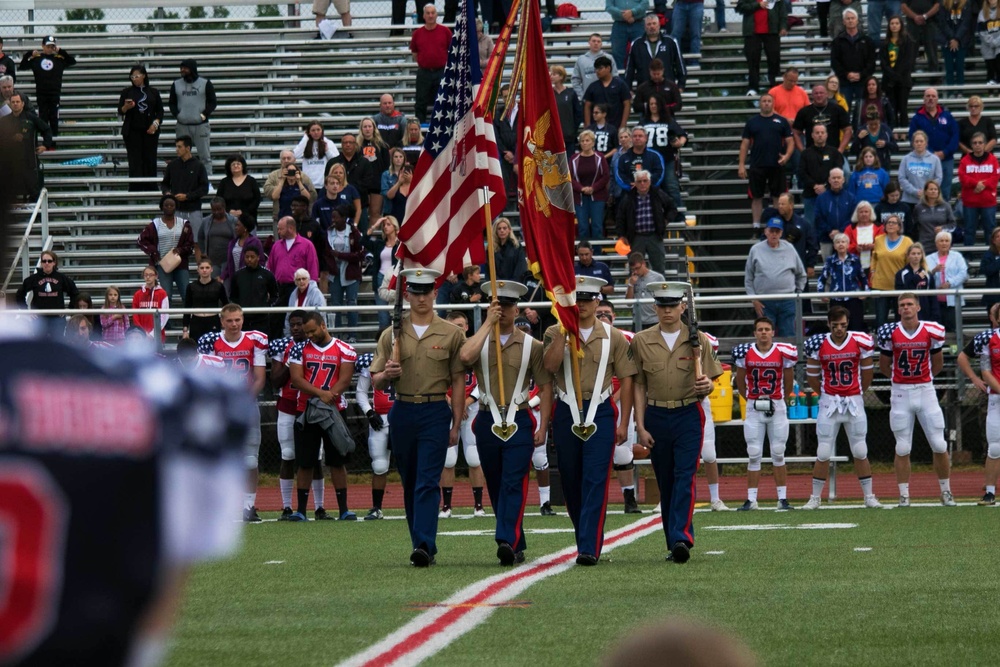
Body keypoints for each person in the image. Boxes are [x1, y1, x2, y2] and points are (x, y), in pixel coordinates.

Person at [369, 268, 466, 567]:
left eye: (427, 291)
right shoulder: (392, 333)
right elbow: (376, 380)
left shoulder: (452, 333)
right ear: (407, 294)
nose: (421, 297)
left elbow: (459, 380)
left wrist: (457, 423)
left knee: (426, 480)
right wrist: (388, 373)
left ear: (436, 293)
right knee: (411, 481)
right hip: (403, 411)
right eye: (416, 291)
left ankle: (424, 544)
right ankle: (420, 543)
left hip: (436, 410)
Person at [542, 276, 636, 566]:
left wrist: (624, 423)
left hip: (601, 411)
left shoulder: (613, 336)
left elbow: (628, 379)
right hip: (566, 410)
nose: (580, 305)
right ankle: (584, 535)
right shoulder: (552, 331)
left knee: (595, 479)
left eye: (586, 300)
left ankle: (589, 547)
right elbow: (549, 367)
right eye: (575, 299)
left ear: (598, 302)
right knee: (571, 481)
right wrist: (562, 333)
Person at [458, 281, 552, 564]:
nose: (504, 310)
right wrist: (486, 324)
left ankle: (506, 540)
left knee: (514, 481)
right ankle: (516, 540)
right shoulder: (479, 341)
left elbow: (546, 387)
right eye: (498, 305)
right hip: (487, 418)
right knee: (497, 484)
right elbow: (464, 357)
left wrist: (543, 426)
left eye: (509, 305)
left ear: (517, 308)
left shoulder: (531, 346)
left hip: (519, 418)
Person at [632, 282, 723, 561]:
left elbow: (711, 378)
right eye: (662, 305)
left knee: (685, 476)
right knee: (667, 480)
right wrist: (640, 425)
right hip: (656, 414)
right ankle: (674, 540)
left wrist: (706, 384)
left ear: (684, 307)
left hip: (688, 413)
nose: (667, 310)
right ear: (654, 307)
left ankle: (682, 537)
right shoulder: (641, 340)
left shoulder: (698, 340)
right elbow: (638, 385)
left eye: (673, 305)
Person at [800, 307, 884, 509]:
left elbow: (867, 374)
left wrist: (856, 393)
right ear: (829, 324)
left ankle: (869, 496)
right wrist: (825, 394)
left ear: (848, 323)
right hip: (830, 402)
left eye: (843, 325)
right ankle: (815, 497)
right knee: (823, 451)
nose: (839, 329)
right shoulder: (818, 343)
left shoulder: (859, 341)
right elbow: (812, 376)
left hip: (853, 401)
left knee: (860, 449)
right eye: (835, 325)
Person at [877, 293, 955, 507]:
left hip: (925, 390)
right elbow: (884, 366)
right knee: (902, 447)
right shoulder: (889, 332)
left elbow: (937, 363)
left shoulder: (932, 330)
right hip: (900, 392)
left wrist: (922, 379)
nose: (906, 308)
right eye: (902, 305)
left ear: (918, 307)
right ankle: (904, 494)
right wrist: (901, 380)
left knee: (939, 444)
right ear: (898, 309)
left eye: (910, 304)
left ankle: (946, 491)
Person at [197, 304, 267, 521]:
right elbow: (206, 377)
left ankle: (249, 505)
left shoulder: (255, 340)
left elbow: (260, 377)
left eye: (237, 320)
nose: (234, 324)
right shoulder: (211, 341)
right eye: (230, 320)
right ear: (221, 321)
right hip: (220, 406)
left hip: (246, 403)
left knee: (250, 460)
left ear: (243, 319)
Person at [287, 311, 358, 521]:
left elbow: (345, 380)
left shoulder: (344, 349)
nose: (309, 335)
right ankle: (301, 510)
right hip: (307, 409)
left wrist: (329, 397)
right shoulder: (299, 349)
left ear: (323, 326)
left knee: (337, 460)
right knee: (305, 461)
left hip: (334, 410)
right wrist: (321, 395)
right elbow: (297, 380)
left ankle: (343, 508)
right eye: (306, 331)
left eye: (312, 330)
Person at [732, 316, 797, 510]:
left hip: (776, 405)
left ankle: (782, 498)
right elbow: (740, 382)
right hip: (754, 406)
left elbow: (788, 381)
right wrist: (753, 401)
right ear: (755, 333)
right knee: (753, 453)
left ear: (772, 332)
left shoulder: (784, 353)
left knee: (778, 452)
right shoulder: (745, 353)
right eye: (760, 329)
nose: (763, 333)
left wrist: (777, 401)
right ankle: (751, 499)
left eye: (767, 329)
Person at [594, 299, 642, 513]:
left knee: (622, 453)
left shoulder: (627, 338)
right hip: (592, 400)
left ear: (615, 315)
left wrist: (615, 396)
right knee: (594, 452)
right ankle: (596, 498)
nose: (603, 317)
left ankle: (629, 498)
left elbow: (632, 375)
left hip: (621, 400)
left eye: (607, 313)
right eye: (599, 313)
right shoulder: (584, 337)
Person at [439, 312, 487, 517]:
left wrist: (467, 402)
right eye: (453, 325)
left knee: (474, 457)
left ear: (467, 326)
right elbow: (433, 379)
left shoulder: (476, 348)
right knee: (448, 459)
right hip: (448, 405)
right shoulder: (441, 348)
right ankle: (447, 506)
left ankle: (478, 505)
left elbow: (484, 380)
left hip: (472, 406)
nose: (458, 329)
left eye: (460, 325)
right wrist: (452, 402)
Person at [738, 93, 794, 230]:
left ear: (773, 103)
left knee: (777, 196)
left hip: (777, 164)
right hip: (757, 164)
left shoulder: (781, 121)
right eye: (764, 101)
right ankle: (756, 225)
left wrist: (786, 156)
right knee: (756, 197)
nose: (767, 103)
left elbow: (790, 142)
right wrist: (741, 165)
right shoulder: (752, 122)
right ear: (760, 103)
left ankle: (776, 223)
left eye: (769, 101)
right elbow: (744, 144)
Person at [745, 218, 807, 337]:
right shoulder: (755, 249)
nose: (774, 234)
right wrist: (754, 300)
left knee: (789, 334)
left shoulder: (789, 248)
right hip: (764, 302)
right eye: (771, 231)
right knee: (765, 336)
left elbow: (801, 274)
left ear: (781, 233)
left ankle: (789, 356)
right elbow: (748, 278)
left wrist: (797, 293)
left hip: (788, 300)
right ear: (765, 231)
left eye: (777, 231)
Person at [354, 352, 394, 520]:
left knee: (411, 465)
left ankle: (414, 505)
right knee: (379, 465)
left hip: (403, 418)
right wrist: (369, 412)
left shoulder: (410, 357)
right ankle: (376, 507)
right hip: (381, 419)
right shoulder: (371, 363)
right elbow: (361, 392)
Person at [967, 303, 1000, 505]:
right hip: (997, 397)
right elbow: (986, 371)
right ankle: (989, 492)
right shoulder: (989, 339)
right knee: (995, 447)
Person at [616, 169, 676, 276]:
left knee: (659, 269)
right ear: (635, 183)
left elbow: (672, 207)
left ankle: (658, 292)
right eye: (639, 181)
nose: (642, 184)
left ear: (650, 181)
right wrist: (621, 235)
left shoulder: (658, 193)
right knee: (634, 269)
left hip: (655, 236)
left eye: (645, 181)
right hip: (636, 237)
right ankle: (636, 291)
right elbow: (620, 217)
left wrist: (665, 221)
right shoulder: (628, 197)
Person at [138, 194, 195, 305]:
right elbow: (141, 240)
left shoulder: (184, 224)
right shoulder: (155, 224)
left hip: (180, 263)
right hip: (163, 264)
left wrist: (181, 250)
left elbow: (190, 243)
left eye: (172, 205)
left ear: (176, 207)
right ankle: (166, 322)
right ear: (162, 207)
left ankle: (188, 321)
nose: (169, 207)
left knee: (186, 294)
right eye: (166, 205)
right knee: (166, 295)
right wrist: (153, 252)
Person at [117, 64, 163, 191]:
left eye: (137, 76)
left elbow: (160, 111)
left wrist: (155, 124)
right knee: (134, 159)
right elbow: (121, 111)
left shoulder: (153, 92)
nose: (134, 79)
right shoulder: (127, 92)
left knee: (150, 158)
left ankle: (151, 187)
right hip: (132, 130)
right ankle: (135, 187)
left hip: (150, 130)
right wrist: (127, 107)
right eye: (132, 77)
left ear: (144, 76)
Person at [18, 35, 75, 137]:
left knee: (54, 118)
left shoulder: (59, 59)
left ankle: (53, 144)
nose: (50, 49)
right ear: (43, 46)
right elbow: (22, 66)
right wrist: (29, 54)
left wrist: (61, 51)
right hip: (42, 94)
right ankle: (45, 143)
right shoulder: (37, 59)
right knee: (43, 118)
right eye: (48, 46)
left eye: (52, 46)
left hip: (55, 94)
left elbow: (72, 61)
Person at [908, 88, 959, 202]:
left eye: (933, 96)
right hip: (925, 161)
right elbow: (912, 137)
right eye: (928, 96)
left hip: (946, 159)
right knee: (927, 190)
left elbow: (955, 136)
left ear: (937, 99)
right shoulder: (917, 118)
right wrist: (930, 153)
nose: (930, 98)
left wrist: (945, 152)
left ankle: (943, 217)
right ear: (924, 99)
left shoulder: (947, 116)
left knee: (945, 191)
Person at [0, 91, 52, 201]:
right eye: (13, 102)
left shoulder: (31, 118)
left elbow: (47, 129)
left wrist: (45, 145)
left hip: (29, 161)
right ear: (9, 103)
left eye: (17, 102)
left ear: (23, 103)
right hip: (9, 162)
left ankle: (35, 215)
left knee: (33, 191)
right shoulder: (4, 121)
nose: (15, 104)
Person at [641, 93, 687, 214]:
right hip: (648, 161)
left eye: (655, 103)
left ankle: (679, 216)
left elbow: (683, 135)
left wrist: (679, 143)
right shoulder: (643, 121)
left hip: (667, 160)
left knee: (672, 187)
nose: (653, 106)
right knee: (649, 188)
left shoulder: (668, 120)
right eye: (651, 104)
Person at [168, 59, 216, 177]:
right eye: (181, 68)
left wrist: (204, 114)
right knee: (182, 155)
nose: (182, 71)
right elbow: (172, 103)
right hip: (182, 126)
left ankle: (207, 182)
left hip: (200, 125)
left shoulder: (205, 83)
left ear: (192, 69)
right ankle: (183, 180)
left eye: (185, 68)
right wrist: (178, 115)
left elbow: (213, 102)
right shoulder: (176, 84)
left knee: (204, 156)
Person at [14, 249, 78, 335]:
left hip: (57, 319)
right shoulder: (34, 279)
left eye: (49, 261)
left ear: (54, 263)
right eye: (44, 261)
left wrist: (69, 310)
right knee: (40, 346)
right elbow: (19, 294)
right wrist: (27, 311)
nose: (46, 263)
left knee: (57, 345)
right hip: (39, 319)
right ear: (41, 263)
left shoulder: (61, 278)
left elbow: (74, 293)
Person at [817, 232, 869, 330]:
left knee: (856, 326)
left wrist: (866, 291)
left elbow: (863, 277)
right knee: (837, 326)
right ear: (834, 246)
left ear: (848, 245)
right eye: (838, 242)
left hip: (854, 298)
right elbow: (822, 278)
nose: (841, 244)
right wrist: (821, 293)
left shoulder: (855, 259)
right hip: (836, 298)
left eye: (843, 242)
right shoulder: (830, 260)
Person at [410, 4, 452, 124]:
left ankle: (443, 126)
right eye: (427, 13)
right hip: (424, 73)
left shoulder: (445, 31)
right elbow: (415, 53)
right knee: (421, 102)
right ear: (423, 15)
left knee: (443, 100)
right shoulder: (417, 33)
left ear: (436, 15)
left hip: (441, 72)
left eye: (433, 13)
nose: (430, 15)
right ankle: (420, 129)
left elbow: (452, 50)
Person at [736, 0, 787, 97]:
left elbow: (783, 11)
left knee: (774, 59)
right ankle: (753, 87)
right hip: (752, 32)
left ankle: (775, 88)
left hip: (772, 31)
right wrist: (758, 5)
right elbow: (740, 8)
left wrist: (783, 26)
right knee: (752, 60)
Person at [161, 136, 209, 241]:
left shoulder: (199, 165)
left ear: (187, 148)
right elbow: (164, 184)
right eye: (176, 147)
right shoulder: (172, 165)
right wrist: (167, 193)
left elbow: (204, 188)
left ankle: (199, 258)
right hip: (176, 210)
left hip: (194, 210)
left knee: (197, 242)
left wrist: (188, 196)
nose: (176, 149)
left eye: (179, 147)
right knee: (176, 242)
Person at [869, 214, 912, 328]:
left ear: (899, 226)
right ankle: (880, 344)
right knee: (881, 319)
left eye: (894, 223)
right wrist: (872, 271)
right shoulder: (878, 239)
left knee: (900, 318)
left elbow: (910, 263)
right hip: (881, 285)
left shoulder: (907, 241)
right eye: (888, 222)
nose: (891, 225)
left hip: (899, 286)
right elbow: (874, 257)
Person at [799, 124, 846, 225]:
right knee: (809, 224)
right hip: (810, 194)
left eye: (822, 132)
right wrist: (814, 186)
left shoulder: (834, 153)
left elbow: (838, 171)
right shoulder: (805, 153)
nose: (820, 135)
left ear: (826, 135)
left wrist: (825, 186)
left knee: (830, 223)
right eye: (817, 133)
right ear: (812, 135)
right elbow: (801, 173)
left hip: (831, 194)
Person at [957, 132, 999, 246]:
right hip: (970, 203)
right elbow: (962, 177)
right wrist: (976, 184)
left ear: (985, 144)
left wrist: (982, 185)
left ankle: (992, 255)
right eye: (975, 143)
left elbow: (996, 176)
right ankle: (968, 257)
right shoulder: (965, 160)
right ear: (971, 145)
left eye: (980, 142)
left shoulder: (993, 160)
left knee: (990, 230)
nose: (977, 145)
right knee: (969, 230)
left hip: (988, 202)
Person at [626, 13, 687, 90]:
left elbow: (680, 65)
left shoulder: (671, 42)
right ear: (645, 27)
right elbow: (629, 69)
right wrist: (628, 89)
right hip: (644, 89)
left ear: (659, 25)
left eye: (654, 23)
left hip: (667, 88)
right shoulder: (636, 44)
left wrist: (681, 85)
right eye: (649, 24)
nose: (652, 26)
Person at [830, 9, 876, 109]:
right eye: (848, 18)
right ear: (843, 22)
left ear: (857, 20)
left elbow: (871, 62)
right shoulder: (837, 41)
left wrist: (861, 74)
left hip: (863, 82)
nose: (850, 20)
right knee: (844, 111)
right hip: (845, 83)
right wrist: (847, 74)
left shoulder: (867, 41)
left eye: (852, 18)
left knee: (863, 111)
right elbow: (834, 62)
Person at [229, 246, 279, 335]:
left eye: (252, 257)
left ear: (258, 257)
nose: (249, 259)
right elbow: (233, 296)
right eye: (247, 257)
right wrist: (239, 307)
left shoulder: (267, 274)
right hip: (243, 319)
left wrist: (267, 306)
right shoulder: (238, 275)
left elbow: (275, 295)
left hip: (261, 319)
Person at [571, 129, 612, 240]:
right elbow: (569, 177)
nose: (584, 143)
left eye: (587, 140)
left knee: (597, 226)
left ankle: (597, 253)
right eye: (582, 141)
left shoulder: (600, 157)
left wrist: (593, 188)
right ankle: (583, 252)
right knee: (583, 227)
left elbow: (606, 176)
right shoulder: (574, 159)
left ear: (593, 142)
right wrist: (581, 188)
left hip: (597, 197)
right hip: (580, 197)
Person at [792, 85, 853, 156]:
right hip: (812, 154)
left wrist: (840, 150)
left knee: (844, 167)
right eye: (816, 93)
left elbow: (848, 130)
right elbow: (795, 133)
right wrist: (803, 152)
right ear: (812, 95)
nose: (819, 95)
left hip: (833, 153)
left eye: (821, 93)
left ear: (827, 94)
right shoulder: (804, 112)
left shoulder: (837, 109)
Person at [926, 230, 967, 332]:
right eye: (941, 241)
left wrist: (949, 283)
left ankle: (953, 348)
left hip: (952, 299)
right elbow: (924, 276)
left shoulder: (957, 256)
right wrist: (934, 271)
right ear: (936, 243)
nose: (944, 243)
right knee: (936, 328)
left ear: (950, 243)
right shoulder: (928, 258)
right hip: (935, 300)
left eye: (947, 241)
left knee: (952, 327)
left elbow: (963, 273)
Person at [880, 16, 917, 128]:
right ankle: (894, 132)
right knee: (892, 108)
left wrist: (897, 76)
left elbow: (908, 61)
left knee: (903, 108)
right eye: (892, 23)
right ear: (889, 26)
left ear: (901, 25)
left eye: (897, 23)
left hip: (903, 80)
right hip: (889, 81)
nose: (894, 25)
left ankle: (903, 133)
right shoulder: (885, 43)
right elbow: (883, 62)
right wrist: (891, 75)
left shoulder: (908, 41)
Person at [263, 150, 317, 223]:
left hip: (301, 218)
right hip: (281, 216)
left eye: (289, 158)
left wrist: (299, 181)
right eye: (283, 158)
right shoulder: (273, 176)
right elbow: (269, 192)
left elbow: (312, 196)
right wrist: (281, 181)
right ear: (280, 161)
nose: (286, 160)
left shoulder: (303, 177)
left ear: (294, 160)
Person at [813, 168, 855, 258]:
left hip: (845, 238)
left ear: (843, 180)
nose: (836, 180)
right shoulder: (821, 198)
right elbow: (818, 217)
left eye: (839, 178)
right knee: (828, 268)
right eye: (834, 178)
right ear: (829, 180)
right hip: (826, 238)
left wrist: (840, 231)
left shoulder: (850, 198)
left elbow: (852, 217)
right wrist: (830, 231)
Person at [183, 258, 228, 342]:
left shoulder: (219, 286)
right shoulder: (191, 286)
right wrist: (185, 329)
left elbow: (226, 305)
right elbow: (187, 308)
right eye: (202, 268)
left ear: (211, 269)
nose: (204, 270)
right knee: (196, 348)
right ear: (198, 270)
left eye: (207, 268)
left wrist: (225, 323)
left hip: (213, 320)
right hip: (196, 321)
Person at [583, 56, 632, 131]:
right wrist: (588, 125)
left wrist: (623, 124)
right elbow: (587, 106)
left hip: (616, 126)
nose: (597, 71)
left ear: (608, 68)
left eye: (600, 68)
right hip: (596, 128)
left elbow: (627, 104)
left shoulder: (620, 84)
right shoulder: (592, 86)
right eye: (596, 69)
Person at [369, 214, 400, 331]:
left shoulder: (400, 244)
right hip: (380, 277)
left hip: (396, 277)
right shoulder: (379, 244)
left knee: (395, 312)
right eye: (383, 225)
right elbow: (363, 240)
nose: (385, 227)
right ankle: (384, 342)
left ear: (395, 226)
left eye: (388, 224)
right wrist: (375, 225)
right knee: (383, 316)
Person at [895, 243, 940, 320]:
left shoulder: (927, 274)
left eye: (918, 253)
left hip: (925, 311)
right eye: (913, 254)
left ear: (922, 255)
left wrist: (935, 314)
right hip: (907, 311)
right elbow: (900, 294)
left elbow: (932, 296)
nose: (916, 256)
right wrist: (915, 279)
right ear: (908, 255)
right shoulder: (901, 274)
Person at [195, 196, 237, 279]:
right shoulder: (205, 221)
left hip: (228, 261)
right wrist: (203, 252)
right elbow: (200, 237)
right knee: (214, 287)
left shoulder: (233, 221)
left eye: (219, 209)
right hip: (212, 261)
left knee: (227, 287)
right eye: (214, 210)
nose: (217, 212)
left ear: (224, 208)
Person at [898, 130, 942, 206]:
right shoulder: (906, 159)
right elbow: (902, 178)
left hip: (929, 200)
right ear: (913, 143)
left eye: (921, 141)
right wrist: (914, 192)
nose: (919, 143)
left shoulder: (935, 159)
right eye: (916, 141)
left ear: (926, 143)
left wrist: (927, 191)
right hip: (909, 200)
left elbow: (938, 178)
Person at [937, 0, 975, 86]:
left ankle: (960, 91)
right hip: (947, 41)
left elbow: (966, 23)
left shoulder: (967, 4)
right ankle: (950, 92)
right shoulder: (943, 4)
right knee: (949, 68)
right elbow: (942, 23)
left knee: (959, 67)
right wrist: (952, 38)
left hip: (961, 41)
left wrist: (957, 38)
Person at [616, 126, 665, 193]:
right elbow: (619, 175)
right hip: (629, 193)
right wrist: (630, 185)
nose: (637, 138)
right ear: (631, 139)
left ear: (646, 138)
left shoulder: (655, 155)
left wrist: (646, 185)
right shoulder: (623, 157)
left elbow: (659, 173)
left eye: (640, 136)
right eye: (635, 136)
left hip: (652, 192)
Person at [607, 0, 647, 80]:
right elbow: (609, 7)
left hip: (638, 24)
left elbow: (645, 3)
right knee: (617, 55)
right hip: (619, 25)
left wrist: (633, 12)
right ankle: (621, 84)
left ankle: (643, 82)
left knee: (642, 53)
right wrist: (623, 15)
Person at [912, 179, 956, 253]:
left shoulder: (946, 206)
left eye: (935, 189)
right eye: (931, 189)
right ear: (925, 192)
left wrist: (943, 228)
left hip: (942, 245)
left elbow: (953, 225)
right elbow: (914, 227)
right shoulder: (918, 207)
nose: (933, 191)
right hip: (924, 244)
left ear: (938, 191)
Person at [221, 214, 264, 289]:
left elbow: (261, 262)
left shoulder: (255, 242)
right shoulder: (233, 243)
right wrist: (222, 277)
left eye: (238, 225)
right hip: (235, 281)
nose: (235, 228)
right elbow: (230, 263)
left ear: (245, 228)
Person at [359, 117, 391, 216]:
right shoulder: (357, 146)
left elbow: (387, 166)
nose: (367, 129)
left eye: (369, 126)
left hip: (377, 183)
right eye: (365, 127)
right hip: (361, 184)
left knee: (375, 212)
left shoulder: (383, 146)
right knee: (362, 212)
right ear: (361, 129)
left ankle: (371, 231)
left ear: (374, 128)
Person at [293, 121, 340, 190]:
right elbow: (295, 155)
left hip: (323, 184)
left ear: (322, 131)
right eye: (313, 130)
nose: (316, 132)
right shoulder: (305, 143)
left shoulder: (328, 143)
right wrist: (305, 138)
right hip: (308, 185)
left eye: (318, 130)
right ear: (308, 132)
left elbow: (336, 160)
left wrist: (327, 151)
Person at [625, 251, 665, 331]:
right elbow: (628, 303)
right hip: (638, 321)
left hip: (654, 320)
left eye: (637, 268)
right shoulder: (632, 279)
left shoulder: (658, 278)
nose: (635, 271)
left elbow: (664, 299)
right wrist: (631, 285)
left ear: (644, 264)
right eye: (633, 269)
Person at [216, 154, 261, 223]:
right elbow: (219, 200)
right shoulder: (224, 182)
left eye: (238, 164)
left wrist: (243, 212)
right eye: (233, 164)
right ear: (229, 167)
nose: (236, 166)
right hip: (228, 220)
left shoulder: (251, 181)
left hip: (248, 220)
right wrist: (228, 211)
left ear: (243, 166)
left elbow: (257, 199)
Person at [844, 199, 883, 275]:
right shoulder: (850, 228)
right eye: (861, 212)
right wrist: (855, 247)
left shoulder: (879, 227)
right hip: (854, 263)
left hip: (875, 264)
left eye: (866, 212)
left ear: (870, 213)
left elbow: (884, 244)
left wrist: (874, 246)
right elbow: (844, 245)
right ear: (857, 214)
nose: (864, 214)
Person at [131, 265, 170, 343]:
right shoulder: (138, 294)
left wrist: (153, 333)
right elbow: (135, 315)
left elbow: (164, 316)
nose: (148, 277)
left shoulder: (162, 293)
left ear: (156, 276)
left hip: (157, 336)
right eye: (146, 275)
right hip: (141, 336)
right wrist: (142, 332)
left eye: (150, 275)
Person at [488, 217, 529, 282]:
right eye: (499, 228)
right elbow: (489, 269)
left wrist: (511, 284)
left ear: (509, 230)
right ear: (496, 231)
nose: (502, 230)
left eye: (504, 228)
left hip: (513, 285)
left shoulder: (517, 247)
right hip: (496, 286)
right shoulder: (491, 248)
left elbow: (520, 268)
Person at [551, 65, 582, 152]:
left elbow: (578, 113)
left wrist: (572, 129)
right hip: (553, 136)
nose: (551, 76)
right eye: (551, 74)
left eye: (554, 74)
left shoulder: (571, 93)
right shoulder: (549, 93)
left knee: (568, 162)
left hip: (568, 136)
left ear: (561, 76)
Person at [285, 267, 326, 333]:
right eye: (298, 279)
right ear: (295, 282)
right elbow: (288, 315)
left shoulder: (316, 293)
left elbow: (320, 313)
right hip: (296, 330)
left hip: (312, 329)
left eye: (304, 279)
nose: (301, 281)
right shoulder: (293, 294)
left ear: (308, 280)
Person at [383, 150, 412, 222]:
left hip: (408, 209)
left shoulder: (410, 172)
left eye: (400, 157)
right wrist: (399, 182)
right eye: (395, 157)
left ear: (404, 158)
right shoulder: (386, 174)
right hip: (390, 209)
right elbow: (387, 195)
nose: (398, 159)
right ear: (392, 159)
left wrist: (411, 181)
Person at [979, 0, 1000, 84]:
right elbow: (981, 31)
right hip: (987, 47)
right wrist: (991, 42)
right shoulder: (982, 13)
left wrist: (997, 42)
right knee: (990, 70)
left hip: (999, 46)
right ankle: (990, 92)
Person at [981, 227, 1000, 315]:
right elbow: (986, 270)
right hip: (993, 297)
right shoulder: (988, 255)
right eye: (998, 237)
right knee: (994, 325)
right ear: (993, 240)